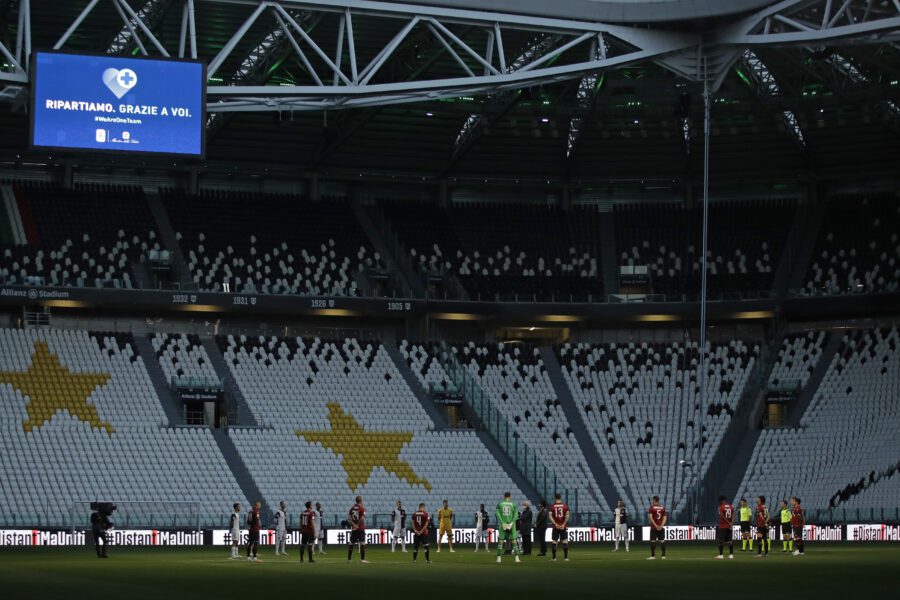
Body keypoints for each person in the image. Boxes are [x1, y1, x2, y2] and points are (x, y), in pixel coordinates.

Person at [496, 492, 521, 563]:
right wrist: (512, 523)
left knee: (501, 541)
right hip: (511, 525)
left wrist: (502, 522)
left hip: (502, 524)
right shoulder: (513, 504)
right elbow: (516, 515)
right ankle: (517, 558)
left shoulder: (500, 504)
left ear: (504, 496)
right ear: (510, 497)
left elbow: (497, 514)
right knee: (514, 541)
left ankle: (499, 558)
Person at [549, 493, 570, 562]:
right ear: (560, 498)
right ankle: (566, 558)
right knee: (564, 541)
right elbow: (567, 516)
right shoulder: (565, 506)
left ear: (555, 498)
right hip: (563, 526)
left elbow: (550, 516)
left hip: (556, 527)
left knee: (554, 541)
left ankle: (554, 558)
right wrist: (563, 524)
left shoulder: (552, 507)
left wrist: (555, 524)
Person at [348, 495, 369, 563]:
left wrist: (354, 525)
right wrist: (357, 525)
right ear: (361, 500)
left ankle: (349, 559)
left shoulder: (351, 509)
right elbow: (362, 518)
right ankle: (362, 559)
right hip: (360, 528)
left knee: (351, 543)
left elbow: (349, 519)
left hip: (354, 529)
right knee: (362, 543)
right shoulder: (361, 508)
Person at [647, 496, 667, 560]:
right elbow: (665, 518)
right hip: (661, 527)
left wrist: (655, 525)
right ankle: (663, 556)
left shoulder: (652, 508)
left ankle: (653, 556)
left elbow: (650, 518)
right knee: (662, 541)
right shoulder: (662, 508)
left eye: (653, 500)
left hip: (654, 527)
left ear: (654, 500)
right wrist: (661, 525)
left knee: (653, 541)